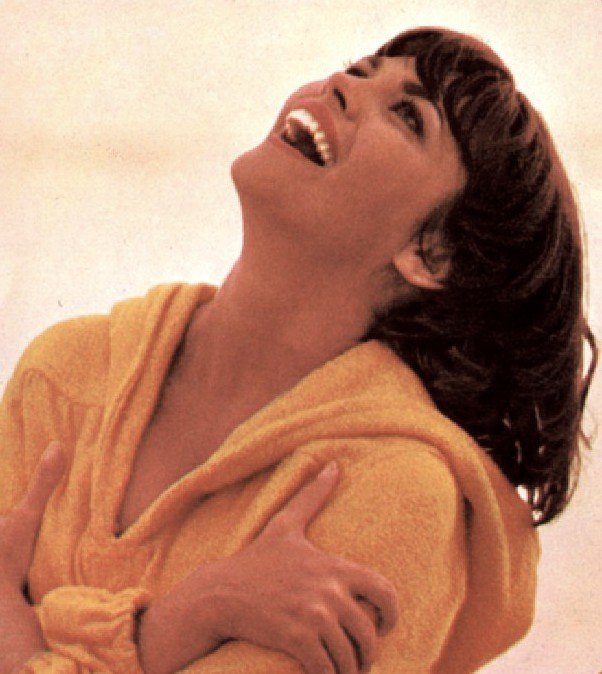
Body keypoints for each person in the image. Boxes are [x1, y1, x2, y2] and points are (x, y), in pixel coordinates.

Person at [0, 26, 595, 674]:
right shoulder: (68, 370)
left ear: (433, 252)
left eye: (407, 115)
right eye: (360, 70)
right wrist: (187, 617)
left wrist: (23, 630)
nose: (340, 85)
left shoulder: (395, 493)